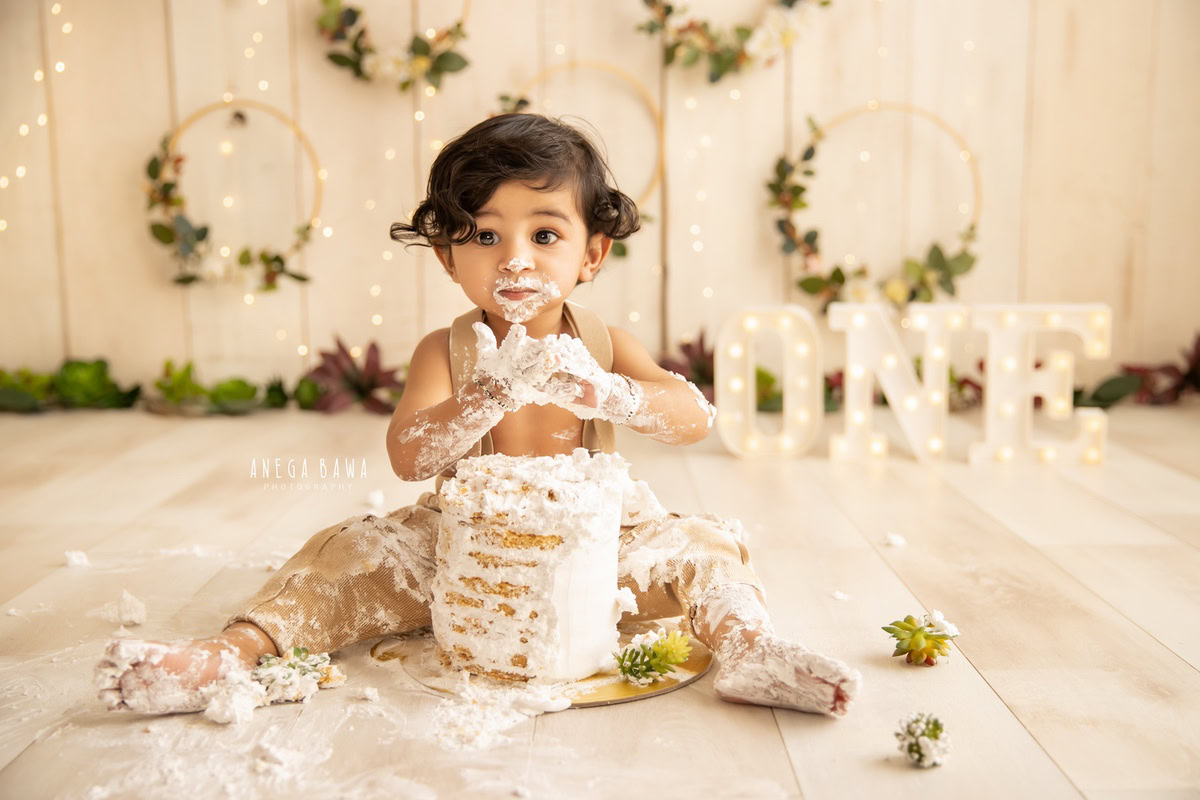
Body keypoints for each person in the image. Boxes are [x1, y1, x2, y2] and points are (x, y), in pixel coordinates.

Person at [95, 113, 861, 718]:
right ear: (446, 256)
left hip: (602, 547)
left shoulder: (601, 344)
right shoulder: (447, 350)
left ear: (592, 254)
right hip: (461, 548)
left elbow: (692, 417)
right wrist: (486, 395)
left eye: (545, 235)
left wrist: (610, 392)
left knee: (706, 547)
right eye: (485, 236)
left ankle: (750, 647)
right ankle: (231, 653)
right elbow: (411, 454)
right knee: (350, 554)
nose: (515, 260)